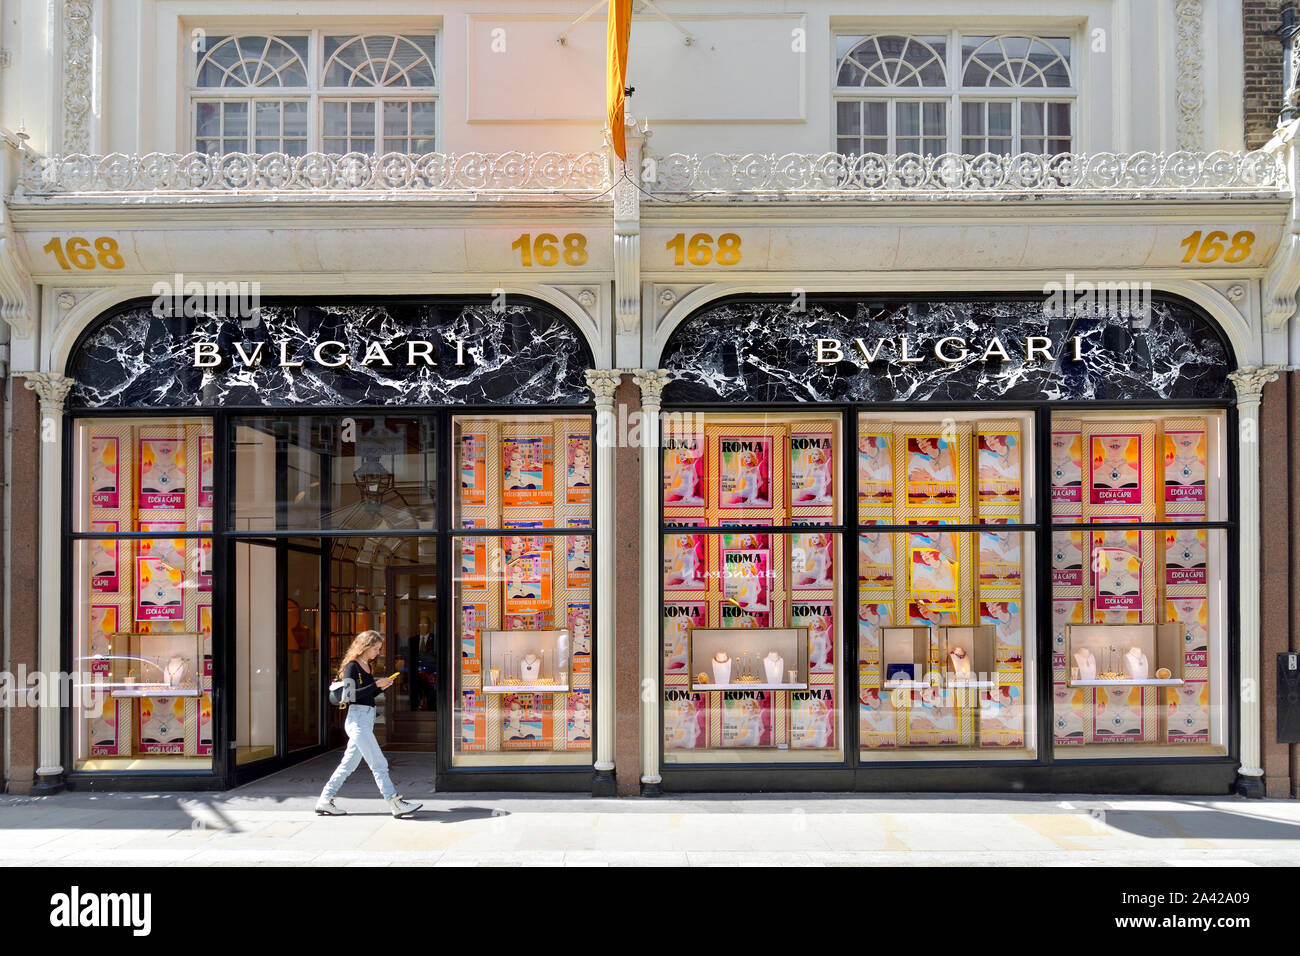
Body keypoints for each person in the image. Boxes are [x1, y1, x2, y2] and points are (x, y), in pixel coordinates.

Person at [315, 630, 422, 818]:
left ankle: (325, 800)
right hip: (357, 721)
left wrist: (380, 687)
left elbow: (365, 695)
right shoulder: (351, 666)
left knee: (347, 765)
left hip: (366, 718)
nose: (378, 653)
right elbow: (349, 696)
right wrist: (376, 685)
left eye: (379, 649)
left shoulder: (367, 666)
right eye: (375, 648)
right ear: (364, 647)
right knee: (379, 763)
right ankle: (395, 802)